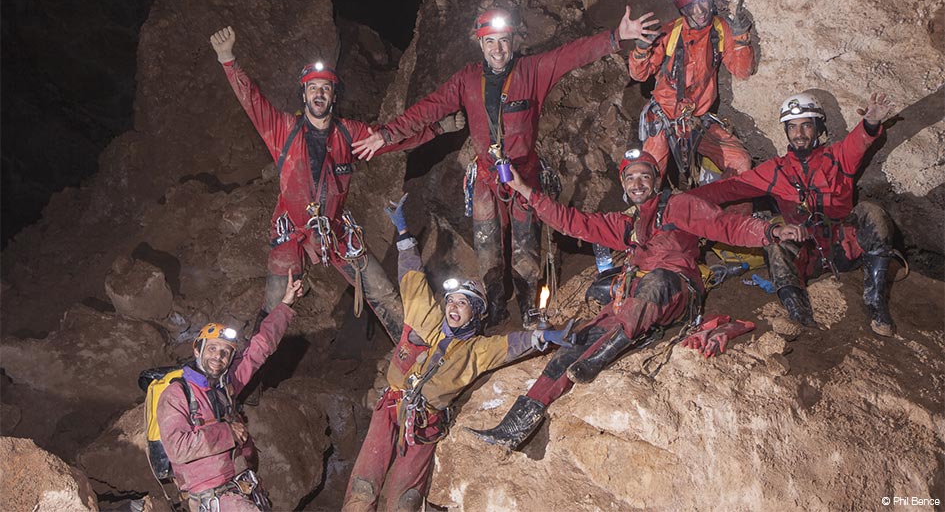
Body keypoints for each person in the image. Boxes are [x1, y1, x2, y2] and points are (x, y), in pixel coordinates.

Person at [468, 150, 804, 449]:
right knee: (573, 344)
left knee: (655, 281)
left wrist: (769, 232)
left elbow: (724, 225)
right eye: (631, 178)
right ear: (625, 185)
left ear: (656, 181)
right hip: (632, 304)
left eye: (645, 176)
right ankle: (515, 426)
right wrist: (523, 189)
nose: (638, 183)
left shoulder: (680, 205)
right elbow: (575, 223)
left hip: (675, 291)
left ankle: (597, 359)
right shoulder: (628, 222)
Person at [352, 6, 660, 327]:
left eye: (503, 41)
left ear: (512, 41)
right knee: (487, 244)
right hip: (486, 176)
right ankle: (495, 307)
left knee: (526, 243)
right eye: (491, 42)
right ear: (480, 44)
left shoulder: (532, 70)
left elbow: (573, 55)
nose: (498, 50)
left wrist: (616, 37)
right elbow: (427, 111)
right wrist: (387, 134)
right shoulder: (468, 80)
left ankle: (529, 308)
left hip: (523, 175)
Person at [209, 27, 463, 341]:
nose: (319, 94)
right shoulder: (283, 130)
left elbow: (389, 140)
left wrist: (438, 128)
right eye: (312, 88)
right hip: (292, 230)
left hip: (336, 230)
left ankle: (415, 350)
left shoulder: (348, 133)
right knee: (275, 306)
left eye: (325, 89)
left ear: (333, 96)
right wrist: (227, 60)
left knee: (382, 292)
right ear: (304, 95)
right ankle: (248, 371)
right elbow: (253, 102)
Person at [342, 194, 574, 511]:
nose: (453, 306)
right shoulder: (424, 316)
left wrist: (544, 336)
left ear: (476, 313)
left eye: (462, 302)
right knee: (364, 485)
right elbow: (411, 276)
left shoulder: (476, 350)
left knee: (406, 501)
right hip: (391, 407)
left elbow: (510, 346)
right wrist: (403, 231)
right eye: (451, 301)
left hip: (425, 422)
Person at [689, 91, 898, 336]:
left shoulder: (839, 157)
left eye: (806, 125)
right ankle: (800, 316)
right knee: (774, 239)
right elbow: (728, 189)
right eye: (792, 127)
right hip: (806, 254)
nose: (799, 134)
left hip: (845, 249)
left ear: (818, 128)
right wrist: (678, 201)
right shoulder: (776, 170)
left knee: (871, 212)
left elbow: (859, 141)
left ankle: (876, 304)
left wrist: (871, 123)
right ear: (786, 131)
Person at [156, 273, 303, 511]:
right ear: (197, 351)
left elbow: (259, 348)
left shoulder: (225, 386)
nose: (218, 356)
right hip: (212, 496)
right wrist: (227, 432)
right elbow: (177, 447)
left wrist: (285, 306)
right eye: (212, 348)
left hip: (239, 484)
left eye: (225, 352)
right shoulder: (177, 394)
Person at [629, 0, 756, 184]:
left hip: (697, 121)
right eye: (691, 7)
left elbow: (742, 71)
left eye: (703, 2)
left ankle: (728, 215)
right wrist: (641, 51)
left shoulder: (720, 30)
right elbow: (639, 74)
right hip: (664, 119)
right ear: (682, 10)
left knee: (740, 162)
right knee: (648, 177)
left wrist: (741, 39)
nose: (700, 11)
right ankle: (648, 215)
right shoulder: (670, 33)